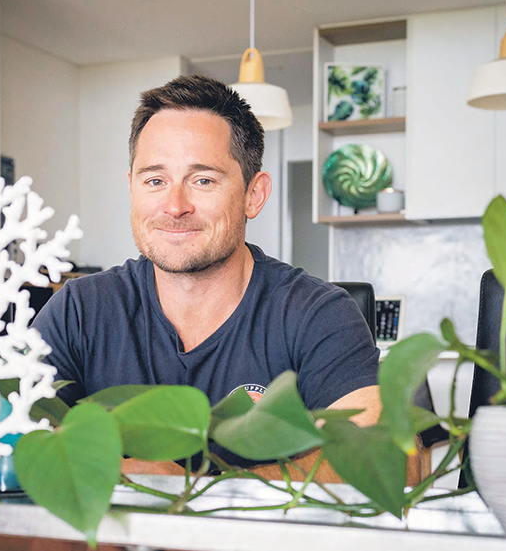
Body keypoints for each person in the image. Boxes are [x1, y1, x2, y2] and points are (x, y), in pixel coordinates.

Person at [32, 74, 381, 479]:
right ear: (132, 188)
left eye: (203, 180)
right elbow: (2, 435)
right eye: (155, 180)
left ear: (254, 195)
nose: (174, 206)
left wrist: (199, 489)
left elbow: (386, 462)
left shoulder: (317, 313)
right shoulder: (79, 310)